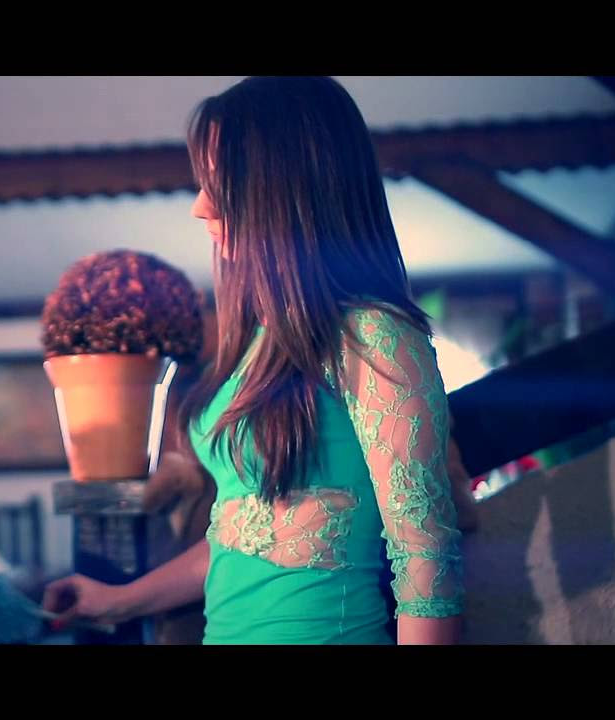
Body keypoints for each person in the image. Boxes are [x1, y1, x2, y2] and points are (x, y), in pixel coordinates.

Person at [43, 76, 464, 644]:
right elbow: (246, 533)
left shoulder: (374, 335)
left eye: (218, 182)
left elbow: (427, 562)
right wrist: (117, 600)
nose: (200, 206)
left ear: (285, 186)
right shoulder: (256, 342)